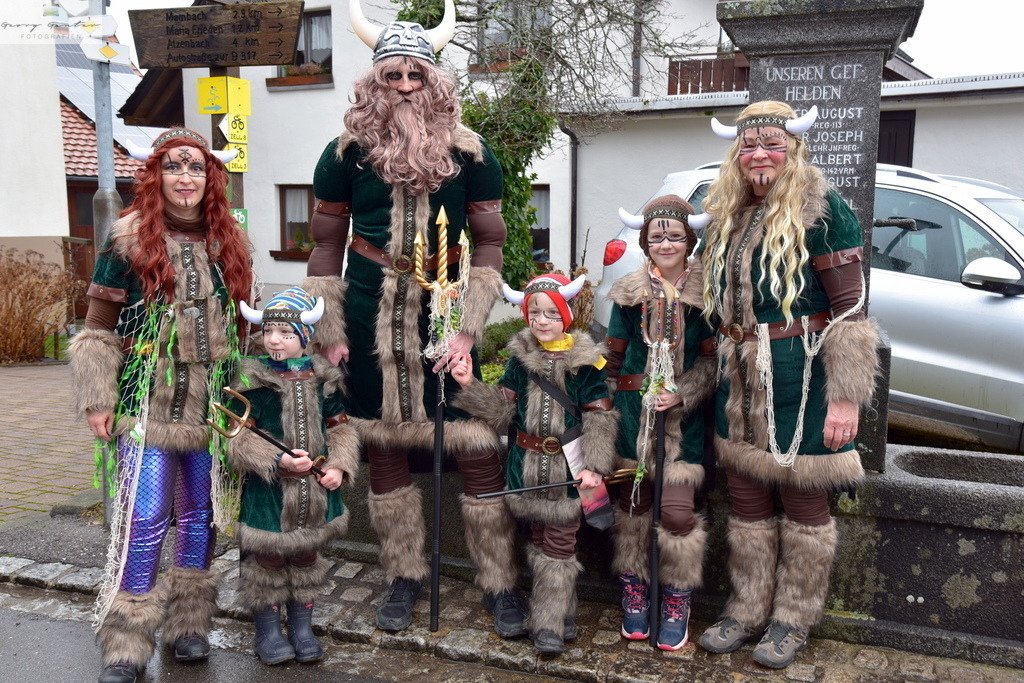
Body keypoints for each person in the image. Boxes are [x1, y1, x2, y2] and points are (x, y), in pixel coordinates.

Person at [300, 0, 523, 637]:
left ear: (434, 80)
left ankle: (499, 581)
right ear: (375, 81)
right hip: (367, 309)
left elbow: (490, 244)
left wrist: (469, 329)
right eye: (392, 75)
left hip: (443, 310)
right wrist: (329, 332)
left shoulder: (472, 154)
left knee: (475, 444)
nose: (403, 86)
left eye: (414, 74)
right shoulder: (342, 155)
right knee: (386, 447)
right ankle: (403, 575)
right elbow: (325, 247)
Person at [695, 101, 880, 668]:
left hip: (803, 376)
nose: (760, 155)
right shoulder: (724, 212)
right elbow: (699, 294)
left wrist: (845, 398)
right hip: (737, 380)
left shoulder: (824, 210)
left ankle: (792, 618)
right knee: (747, 497)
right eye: (749, 146)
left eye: (772, 144)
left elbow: (851, 310)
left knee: (804, 500)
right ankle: (747, 608)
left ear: (792, 149)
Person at [68, 128, 256, 683]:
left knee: (200, 515)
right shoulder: (126, 239)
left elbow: (244, 326)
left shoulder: (229, 241)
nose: (185, 178)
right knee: (144, 517)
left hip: (211, 408)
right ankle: (127, 645)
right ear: (156, 176)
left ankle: (189, 626)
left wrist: (245, 390)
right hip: (145, 403)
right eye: (174, 167)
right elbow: (98, 325)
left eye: (195, 168)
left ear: (210, 178)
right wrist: (98, 399)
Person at [450, 274, 619, 654]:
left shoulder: (587, 362)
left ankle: (548, 623)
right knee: (542, 538)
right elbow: (502, 411)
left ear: (566, 316)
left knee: (560, 542)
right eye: (535, 313)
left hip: (568, 472)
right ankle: (563, 612)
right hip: (525, 468)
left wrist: (594, 465)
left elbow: (600, 417)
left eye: (551, 313)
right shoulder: (520, 359)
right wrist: (469, 384)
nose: (542, 321)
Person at [604, 195, 717, 650]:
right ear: (645, 243)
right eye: (656, 237)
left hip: (682, 425)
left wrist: (683, 392)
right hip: (633, 417)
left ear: (689, 240)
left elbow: (712, 361)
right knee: (633, 507)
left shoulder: (705, 295)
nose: (665, 244)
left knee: (675, 512)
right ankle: (635, 589)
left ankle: (676, 598)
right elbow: (612, 360)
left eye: (674, 236)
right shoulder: (628, 293)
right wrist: (603, 414)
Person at [226, 287, 360, 665]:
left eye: (285, 333)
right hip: (269, 491)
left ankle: (302, 628)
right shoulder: (253, 379)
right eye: (268, 331)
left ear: (305, 337)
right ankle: (268, 632)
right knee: (268, 558)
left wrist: (338, 465)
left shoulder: (324, 378)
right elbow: (238, 436)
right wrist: (276, 460)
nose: (274, 340)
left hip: (315, 490)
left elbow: (340, 427)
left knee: (305, 556)